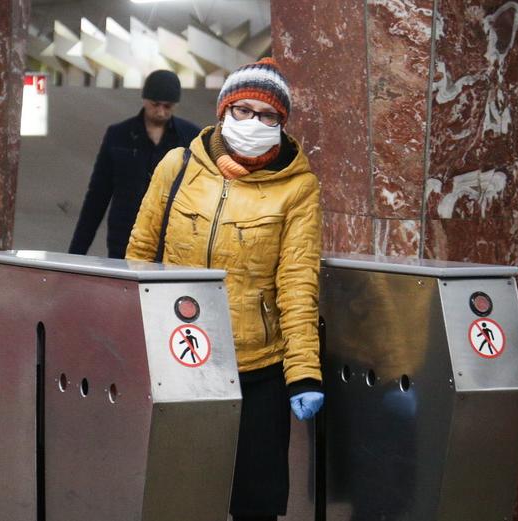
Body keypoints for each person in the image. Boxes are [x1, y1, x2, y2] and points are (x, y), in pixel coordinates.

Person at [125, 58, 322, 521]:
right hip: (180, 358)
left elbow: (297, 281)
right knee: (180, 493)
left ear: (282, 122)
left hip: (257, 367)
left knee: (256, 501)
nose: (254, 122)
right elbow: (139, 255)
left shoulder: (297, 188)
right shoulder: (177, 166)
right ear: (222, 111)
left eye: (268, 115)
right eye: (243, 110)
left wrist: (305, 372)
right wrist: (133, 344)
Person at [68, 70, 202, 258]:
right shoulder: (118, 135)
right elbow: (97, 195)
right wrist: (76, 253)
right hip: (124, 238)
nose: (161, 111)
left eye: (168, 106)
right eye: (155, 105)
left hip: (171, 238)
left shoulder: (191, 137)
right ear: (145, 100)